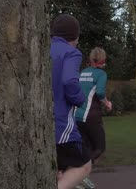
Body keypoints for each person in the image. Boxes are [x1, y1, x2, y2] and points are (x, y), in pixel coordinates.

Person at [50, 14, 92, 189]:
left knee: (58, 170)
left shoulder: (42, 47)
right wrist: (80, 98)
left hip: (37, 125)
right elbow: (69, 81)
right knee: (84, 165)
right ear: (74, 37)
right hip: (61, 128)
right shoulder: (71, 52)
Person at [75, 47, 113, 189]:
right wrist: (107, 103)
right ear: (103, 60)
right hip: (91, 116)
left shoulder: (83, 73)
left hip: (77, 116)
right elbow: (100, 92)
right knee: (99, 148)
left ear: (91, 59)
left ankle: (82, 179)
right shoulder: (101, 74)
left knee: (87, 148)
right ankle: (77, 174)